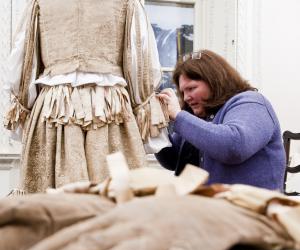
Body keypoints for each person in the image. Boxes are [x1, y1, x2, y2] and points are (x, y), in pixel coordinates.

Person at [3, 0, 170, 193]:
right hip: (108, 105)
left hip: (55, 106)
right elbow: (140, 62)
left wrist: (25, 108)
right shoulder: (127, 2)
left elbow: (24, 63)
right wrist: (141, 108)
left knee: (53, 202)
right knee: (113, 194)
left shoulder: (40, 2)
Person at [156, 49, 286, 191]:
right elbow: (173, 160)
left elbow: (234, 146)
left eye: (191, 88)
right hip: (213, 208)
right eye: (183, 92)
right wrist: (156, 126)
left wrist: (178, 116)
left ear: (215, 81)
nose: (186, 97)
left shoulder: (251, 103)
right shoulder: (198, 115)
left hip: (251, 209)